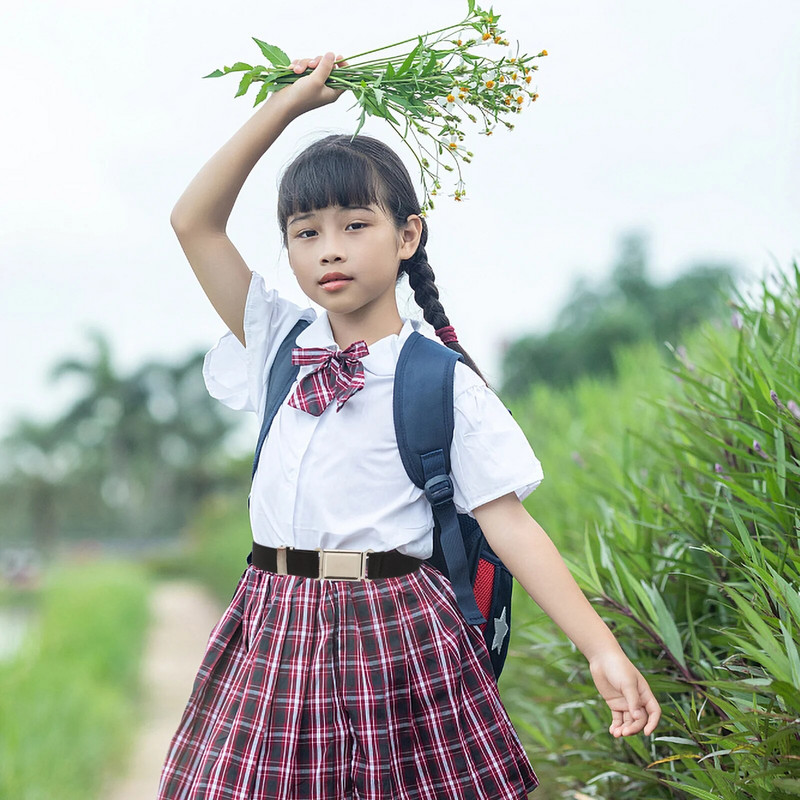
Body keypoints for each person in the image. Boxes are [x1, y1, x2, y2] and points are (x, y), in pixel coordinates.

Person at [158, 51, 661, 800]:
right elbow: (192, 222)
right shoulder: (276, 343)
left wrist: (603, 651)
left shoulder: (438, 379)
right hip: (272, 618)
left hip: (398, 631)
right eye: (305, 231)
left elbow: (511, 526)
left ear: (407, 235)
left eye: (355, 224)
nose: (329, 246)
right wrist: (289, 107)